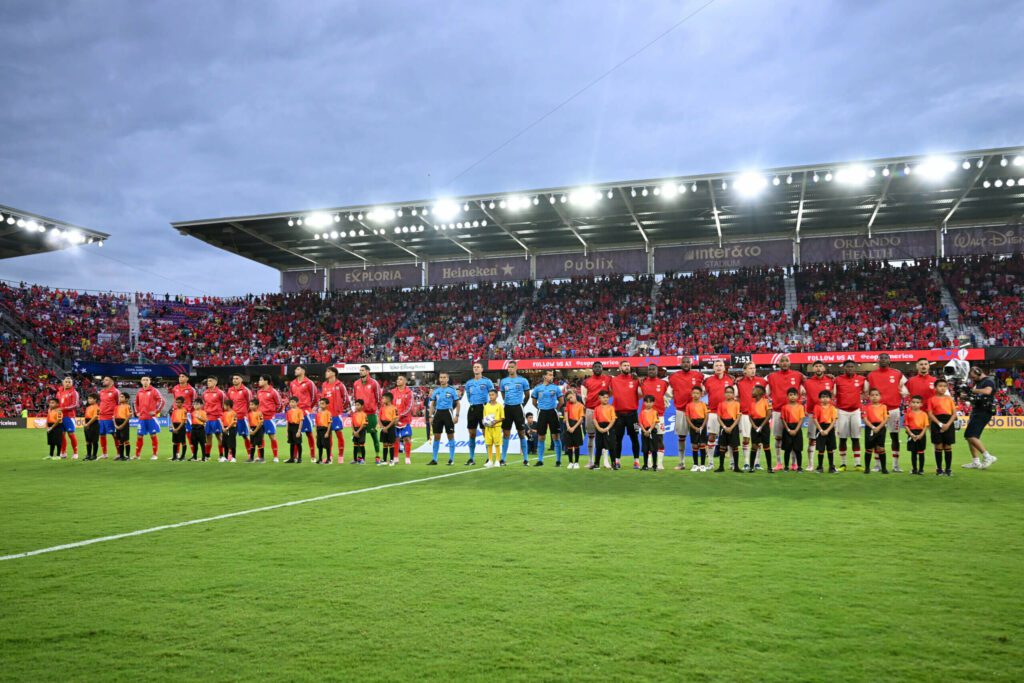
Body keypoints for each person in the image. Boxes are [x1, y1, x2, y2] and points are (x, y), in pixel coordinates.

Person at [866, 353, 905, 472]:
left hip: (893, 410)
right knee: (876, 438)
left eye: (885, 358)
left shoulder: (897, 374)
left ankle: (895, 465)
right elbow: (866, 390)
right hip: (877, 410)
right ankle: (877, 465)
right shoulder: (871, 375)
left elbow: (905, 388)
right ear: (878, 361)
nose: (883, 360)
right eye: (881, 358)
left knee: (895, 437)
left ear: (889, 360)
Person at [767, 356, 804, 471]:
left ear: (790, 362)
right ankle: (779, 463)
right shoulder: (771, 376)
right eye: (782, 361)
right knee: (778, 438)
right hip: (778, 411)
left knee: (793, 439)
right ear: (778, 363)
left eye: (786, 361)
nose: (784, 363)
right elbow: (759, 382)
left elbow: (811, 380)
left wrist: (829, 376)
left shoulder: (798, 375)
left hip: (794, 411)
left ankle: (794, 464)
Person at [668, 357, 704, 471]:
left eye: (688, 362)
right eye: (683, 362)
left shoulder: (698, 375)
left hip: (696, 411)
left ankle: (701, 464)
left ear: (691, 363)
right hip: (681, 411)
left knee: (700, 439)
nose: (686, 364)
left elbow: (707, 384)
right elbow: (667, 387)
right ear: (680, 363)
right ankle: (681, 462)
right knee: (682, 436)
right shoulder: (673, 377)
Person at [735, 362, 768, 471]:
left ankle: (757, 463)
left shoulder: (762, 381)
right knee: (746, 439)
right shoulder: (739, 383)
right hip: (745, 414)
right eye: (750, 368)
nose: (753, 370)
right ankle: (746, 463)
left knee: (758, 440)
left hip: (759, 416)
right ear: (744, 371)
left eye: (754, 368)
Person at [963, 366, 997, 469]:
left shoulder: (988, 381)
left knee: (970, 435)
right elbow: (978, 396)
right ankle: (975, 461)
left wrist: (973, 390)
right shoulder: (979, 383)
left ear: (978, 372)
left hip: (983, 411)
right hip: (977, 410)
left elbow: (987, 391)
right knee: (971, 437)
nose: (973, 379)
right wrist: (967, 395)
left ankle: (987, 456)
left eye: (973, 376)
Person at [803, 361, 836, 470]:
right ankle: (810, 464)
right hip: (814, 414)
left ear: (824, 368)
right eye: (816, 366)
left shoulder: (831, 380)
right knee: (812, 440)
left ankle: (832, 465)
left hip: (828, 415)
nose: (818, 368)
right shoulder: (807, 382)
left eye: (820, 366)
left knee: (830, 442)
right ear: (813, 369)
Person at [834, 360, 866, 471]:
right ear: (844, 368)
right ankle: (843, 464)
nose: (850, 368)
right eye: (848, 367)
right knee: (842, 438)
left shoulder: (861, 379)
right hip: (841, 411)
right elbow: (833, 394)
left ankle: (857, 464)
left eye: (852, 366)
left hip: (855, 411)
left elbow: (866, 392)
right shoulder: (837, 379)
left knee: (855, 438)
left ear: (855, 368)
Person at [703, 360, 734, 471]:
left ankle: (732, 463)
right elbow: (702, 393)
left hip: (728, 412)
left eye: (721, 365)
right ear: (713, 368)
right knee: (711, 436)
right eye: (716, 366)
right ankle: (710, 463)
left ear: (724, 367)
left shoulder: (730, 380)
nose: (719, 367)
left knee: (730, 439)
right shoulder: (708, 381)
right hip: (713, 412)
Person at [610, 361, 641, 468]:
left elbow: (641, 394)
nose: (627, 367)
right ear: (619, 367)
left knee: (635, 438)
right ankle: (617, 461)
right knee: (617, 439)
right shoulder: (614, 380)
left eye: (628, 365)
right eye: (625, 365)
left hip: (633, 415)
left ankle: (636, 461)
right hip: (618, 415)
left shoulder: (635, 380)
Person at [498, 362, 531, 466]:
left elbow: (527, 395)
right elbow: (503, 394)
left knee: (521, 433)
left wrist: (521, 405)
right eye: (509, 367)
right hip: (507, 408)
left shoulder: (523, 380)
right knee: (506, 433)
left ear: (516, 368)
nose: (510, 369)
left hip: (518, 408)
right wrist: (508, 402)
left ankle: (525, 459)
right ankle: (503, 459)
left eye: (512, 367)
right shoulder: (504, 381)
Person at [463, 362, 494, 466]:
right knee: (472, 433)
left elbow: (492, 394)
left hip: (484, 408)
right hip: (472, 408)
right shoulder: (468, 383)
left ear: (482, 369)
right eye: (474, 367)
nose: (476, 369)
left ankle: (489, 458)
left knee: (486, 434)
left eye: (478, 367)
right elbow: (467, 395)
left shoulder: (487, 381)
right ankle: (471, 458)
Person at [582, 362, 613, 468]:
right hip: (590, 410)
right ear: (592, 369)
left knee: (604, 436)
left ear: (602, 368)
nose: (597, 368)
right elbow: (583, 396)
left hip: (603, 410)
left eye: (599, 367)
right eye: (595, 367)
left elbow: (612, 391)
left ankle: (605, 461)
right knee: (591, 436)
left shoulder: (608, 379)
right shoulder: (586, 381)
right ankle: (590, 460)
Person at [531, 370, 564, 467]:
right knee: (541, 436)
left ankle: (558, 461)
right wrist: (541, 408)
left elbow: (561, 401)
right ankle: (540, 460)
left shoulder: (556, 388)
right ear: (544, 376)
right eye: (550, 375)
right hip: (542, 413)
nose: (552, 377)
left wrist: (555, 409)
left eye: (552, 375)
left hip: (552, 412)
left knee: (556, 436)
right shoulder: (537, 388)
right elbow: (534, 402)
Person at [639, 364, 669, 464]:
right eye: (650, 369)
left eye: (653, 369)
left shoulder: (663, 383)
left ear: (657, 371)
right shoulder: (642, 382)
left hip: (659, 416)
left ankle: (659, 463)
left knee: (659, 439)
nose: (651, 371)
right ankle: (649, 462)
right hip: (646, 416)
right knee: (647, 439)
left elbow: (664, 395)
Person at [428, 373, 460, 466]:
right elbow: (432, 404)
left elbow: (458, 403)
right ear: (439, 379)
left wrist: (457, 415)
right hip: (438, 414)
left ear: (447, 379)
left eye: (444, 377)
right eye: (441, 377)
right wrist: (430, 416)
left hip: (448, 414)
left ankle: (451, 459)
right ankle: (434, 459)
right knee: (437, 436)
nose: (442, 379)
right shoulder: (436, 391)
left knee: (450, 436)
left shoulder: (452, 390)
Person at [352, 365, 383, 462]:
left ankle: (377, 457)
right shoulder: (356, 383)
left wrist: (378, 412)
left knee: (374, 435)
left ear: (368, 371)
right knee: (358, 437)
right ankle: (360, 458)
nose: (360, 372)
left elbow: (379, 399)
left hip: (371, 414)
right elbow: (355, 397)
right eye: (360, 370)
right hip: (360, 415)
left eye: (363, 370)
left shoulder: (374, 383)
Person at [321, 367, 350, 465]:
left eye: (328, 371)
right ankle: (329, 456)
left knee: (339, 435)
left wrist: (339, 409)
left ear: (334, 373)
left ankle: (340, 456)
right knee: (328, 437)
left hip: (336, 415)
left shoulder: (340, 385)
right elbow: (323, 400)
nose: (326, 373)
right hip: (326, 415)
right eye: (326, 371)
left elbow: (346, 399)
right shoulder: (324, 385)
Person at [927, 379, 956, 476]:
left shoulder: (949, 399)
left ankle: (948, 469)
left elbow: (954, 414)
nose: (943, 388)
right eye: (940, 386)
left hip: (948, 422)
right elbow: (930, 414)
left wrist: (947, 424)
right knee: (938, 446)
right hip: (936, 423)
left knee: (948, 446)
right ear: (935, 388)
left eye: (945, 386)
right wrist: (940, 424)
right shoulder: (931, 399)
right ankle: (939, 469)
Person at [290, 366, 320, 459]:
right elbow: (291, 397)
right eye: (295, 369)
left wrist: (308, 407)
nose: (295, 370)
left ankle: (313, 456)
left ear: (303, 371)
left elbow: (315, 397)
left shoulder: (309, 383)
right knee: (295, 434)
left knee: (309, 433)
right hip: (295, 412)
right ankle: (294, 456)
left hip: (305, 411)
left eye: (298, 369)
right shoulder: (292, 383)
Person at [135, 376, 165, 461]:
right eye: (143, 380)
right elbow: (135, 403)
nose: (145, 381)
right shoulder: (139, 391)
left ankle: (155, 455)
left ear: (150, 381)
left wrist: (156, 411)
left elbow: (162, 401)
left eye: (147, 380)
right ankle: (137, 455)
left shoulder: (154, 390)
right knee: (139, 436)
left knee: (153, 436)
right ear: (141, 381)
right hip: (142, 418)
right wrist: (137, 412)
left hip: (151, 418)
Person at [256, 375, 283, 463]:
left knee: (272, 437)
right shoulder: (259, 392)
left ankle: (275, 456)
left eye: (260, 380)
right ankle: (260, 457)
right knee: (260, 438)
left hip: (269, 418)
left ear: (266, 381)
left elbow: (279, 404)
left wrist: (272, 413)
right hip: (260, 418)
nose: (259, 381)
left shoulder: (273, 391)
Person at [863, 388, 889, 474]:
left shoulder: (884, 407)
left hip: (881, 428)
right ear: (869, 397)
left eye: (876, 395)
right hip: (870, 427)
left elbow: (886, 418)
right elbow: (865, 419)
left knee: (880, 448)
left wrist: (879, 427)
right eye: (872, 395)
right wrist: (872, 427)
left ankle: (884, 468)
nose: (874, 397)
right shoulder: (866, 407)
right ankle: (867, 468)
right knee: (869, 448)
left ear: (880, 397)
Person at [715, 386, 741, 472]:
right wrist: (725, 427)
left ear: (733, 394)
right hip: (724, 424)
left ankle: (736, 467)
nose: (729, 394)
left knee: (734, 446)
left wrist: (731, 427)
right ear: (724, 394)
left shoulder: (737, 404)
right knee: (722, 446)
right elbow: (718, 417)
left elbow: (738, 417)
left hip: (733, 424)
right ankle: (721, 466)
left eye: (730, 392)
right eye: (727, 392)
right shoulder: (721, 404)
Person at [811, 390, 838, 473]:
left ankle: (831, 467)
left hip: (829, 428)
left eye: (827, 397)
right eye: (823, 397)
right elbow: (815, 419)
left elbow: (834, 420)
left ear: (830, 398)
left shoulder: (833, 408)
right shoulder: (817, 407)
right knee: (821, 449)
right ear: (819, 399)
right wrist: (821, 430)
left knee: (830, 449)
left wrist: (827, 430)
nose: (825, 399)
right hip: (821, 428)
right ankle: (820, 467)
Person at [227, 375, 253, 459]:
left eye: (236, 378)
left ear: (241, 380)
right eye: (233, 379)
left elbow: (250, 403)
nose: (234, 380)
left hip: (242, 417)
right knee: (231, 436)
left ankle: (249, 454)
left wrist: (245, 413)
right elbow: (228, 404)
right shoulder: (230, 390)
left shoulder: (246, 391)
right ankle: (230, 454)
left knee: (245, 436)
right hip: (232, 418)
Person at [780, 388, 806, 472]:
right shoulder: (784, 407)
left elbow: (801, 419)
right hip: (787, 428)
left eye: (794, 395)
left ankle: (799, 467)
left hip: (797, 428)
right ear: (787, 396)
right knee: (787, 449)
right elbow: (783, 419)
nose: (793, 397)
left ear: (798, 396)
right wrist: (788, 430)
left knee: (798, 449)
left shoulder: (800, 407)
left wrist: (796, 430)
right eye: (790, 395)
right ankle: (786, 466)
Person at [391, 374, 414, 465]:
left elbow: (410, 406)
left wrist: (400, 416)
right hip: (394, 419)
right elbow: (389, 405)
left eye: (400, 379)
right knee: (395, 439)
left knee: (407, 438)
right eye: (397, 379)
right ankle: (396, 457)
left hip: (405, 420)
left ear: (405, 382)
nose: (398, 380)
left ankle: (407, 458)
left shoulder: (409, 392)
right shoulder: (392, 392)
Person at [684, 387, 709, 472]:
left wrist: (702, 426)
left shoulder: (703, 404)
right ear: (691, 394)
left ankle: (702, 465)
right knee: (694, 445)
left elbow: (706, 416)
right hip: (693, 424)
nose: (695, 395)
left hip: (702, 424)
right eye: (694, 393)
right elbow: (687, 417)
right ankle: (695, 465)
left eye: (697, 393)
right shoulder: (689, 405)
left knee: (702, 444)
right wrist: (693, 427)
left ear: (701, 394)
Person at [749, 385, 773, 472]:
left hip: (764, 424)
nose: (752, 391)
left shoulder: (766, 402)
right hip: (755, 425)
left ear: (760, 392)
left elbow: (769, 415)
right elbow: (750, 416)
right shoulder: (752, 404)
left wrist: (761, 426)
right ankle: (751, 467)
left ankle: (769, 468)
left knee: (766, 446)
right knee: (754, 446)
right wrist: (754, 426)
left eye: (754, 390)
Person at [202, 376, 227, 460]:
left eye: (210, 381)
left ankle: (221, 455)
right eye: (208, 381)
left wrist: (221, 415)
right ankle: (207, 455)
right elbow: (204, 404)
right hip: (208, 418)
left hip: (217, 418)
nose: (208, 382)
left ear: (215, 382)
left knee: (219, 436)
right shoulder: (204, 393)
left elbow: (224, 405)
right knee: (208, 436)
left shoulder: (220, 393)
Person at [904, 396, 929, 476]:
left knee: (921, 452)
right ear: (910, 403)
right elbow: (906, 425)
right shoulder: (908, 414)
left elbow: (926, 426)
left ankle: (921, 469)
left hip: (921, 433)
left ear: (921, 404)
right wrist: (911, 434)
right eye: (913, 402)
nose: (915, 404)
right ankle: (914, 469)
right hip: (912, 433)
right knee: (913, 453)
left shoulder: (924, 414)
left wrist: (921, 435)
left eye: (917, 402)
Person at [56, 376, 79, 460]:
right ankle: (63, 452)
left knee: (71, 434)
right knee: (61, 435)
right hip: (60, 416)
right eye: (66, 381)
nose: (68, 383)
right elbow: (56, 404)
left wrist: (63, 408)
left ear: (72, 383)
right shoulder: (58, 392)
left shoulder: (74, 392)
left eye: (69, 382)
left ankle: (75, 453)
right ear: (63, 383)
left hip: (69, 416)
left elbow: (75, 405)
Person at [638, 395, 662, 471]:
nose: (648, 404)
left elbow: (655, 422)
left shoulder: (655, 412)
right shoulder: (641, 412)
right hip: (644, 432)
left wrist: (649, 430)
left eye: (650, 402)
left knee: (654, 449)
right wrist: (644, 431)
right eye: (646, 402)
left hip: (652, 432)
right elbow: (640, 423)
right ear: (644, 402)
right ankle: (645, 465)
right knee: (645, 449)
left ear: (653, 403)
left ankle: (655, 465)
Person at [97, 376, 119, 459]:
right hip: (102, 416)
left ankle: (119, 453)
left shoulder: (115, 391)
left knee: (114, 435)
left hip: (111, 416)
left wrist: (116, 415)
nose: (104, 381)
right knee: (102, 434)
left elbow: (119, 404)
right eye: (104, 379)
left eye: (106, 380)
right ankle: (104, 454)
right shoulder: (101, 392)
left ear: (112, 382)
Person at [593, 391, 616, 469]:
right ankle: (596, 464)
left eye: (607, 397)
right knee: (599, 447)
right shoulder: (596, 408)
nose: (606, 399)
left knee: (611, 446)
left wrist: (607, 428)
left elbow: (613, 419)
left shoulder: (611, 407)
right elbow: (594, 419)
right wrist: (599, 428)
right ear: (599, 398)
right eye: (604, 397)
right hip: (599, 427)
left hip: (609, 428)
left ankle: (614, 464)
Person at [562, 390, 585, 469]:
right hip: (568, 426)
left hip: (576, 426)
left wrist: (574, 427)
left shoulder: (581, 406)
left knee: (576, 445)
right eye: (568, 399)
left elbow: (581, 418)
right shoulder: (568, 405)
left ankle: (577, 462)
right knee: (569, 445)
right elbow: (566, 415)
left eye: (571, 397)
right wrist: (568, 426)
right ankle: (570, 462)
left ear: (574, 395)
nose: (570, 400)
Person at [483, 388, 505, 468]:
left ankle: (497, 461)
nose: (491, 396)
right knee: (489, 444)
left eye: (493, 395)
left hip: (496, 427)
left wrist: (495, 422)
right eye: (490, 395)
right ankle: (490, 460)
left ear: (496, 395)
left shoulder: (499, 406)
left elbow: (502, 417)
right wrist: (487, 423)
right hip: (488, 428)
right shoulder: (486, 406)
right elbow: (485, 418)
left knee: (497, 444)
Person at [378, 392, 397, 467]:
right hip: (383, 425)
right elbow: (379, 418)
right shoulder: (382, 408)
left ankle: (392, 460)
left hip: (390, 426)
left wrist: (387, 427)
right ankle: (384, 460)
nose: (382, 399)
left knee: (391, 443)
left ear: (388, 399)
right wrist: (383, 427)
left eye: (383, 398)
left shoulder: (394, 408)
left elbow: (394, 419)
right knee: (385, 443)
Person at [285, 397, 304, 463]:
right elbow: (287, 422)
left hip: (296, 427)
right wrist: (287, 431)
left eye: (293, 402)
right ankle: (291, 458)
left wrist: (299, 431)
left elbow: (301, 421)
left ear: (297, 403)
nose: (291, 403)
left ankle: (299, 458)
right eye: (290, 402)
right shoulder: (288, 412)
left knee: (298, 443)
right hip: (290, 427)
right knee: (291, 443)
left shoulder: (300, 411)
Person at [114, 393, 132, 460]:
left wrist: (122, 425)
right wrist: (115, 425)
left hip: (124, 423)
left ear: (126, 399)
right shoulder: (116, 407)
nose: (120, 398)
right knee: (119, 440)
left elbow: (129, 416)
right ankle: (121, 456)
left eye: (122, 397)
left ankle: (127, 456)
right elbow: (114, 417)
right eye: (120, 397)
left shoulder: (128, 406)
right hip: (117, 423)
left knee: (125, 440)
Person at [170, 396, 188, 461]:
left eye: (179, 402)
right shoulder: (174, 411)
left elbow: (183, 421)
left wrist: (177, 429)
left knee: (183, 442)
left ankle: (182, 457)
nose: (177, 404)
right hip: (175, 426)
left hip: (181, 426)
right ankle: (174, 456)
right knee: (175, 442)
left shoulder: (184, 411)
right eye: (176, 402)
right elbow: (171, 420)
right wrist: (173, 428)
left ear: (183, 403)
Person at [83, 394, 100, 461]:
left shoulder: (97, 407)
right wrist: (86, 424)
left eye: (90, 398)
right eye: (88, 398)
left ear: (95, 399)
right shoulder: (88, 407)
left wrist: (88, 424)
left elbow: (95, 416)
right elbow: (86, 416)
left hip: (94, 424)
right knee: (88, 441)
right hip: (87, 424)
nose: (89, 400)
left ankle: (94, 455)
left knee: (94, 441)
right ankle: (88, 455)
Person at [315, 398, 332, 464]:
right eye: (320, 403)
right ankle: (320, 459)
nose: (321, 405)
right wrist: (316, 432)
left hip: (325, 430)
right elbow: (316, 423)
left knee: (327, 445)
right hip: (319, 430)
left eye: (323, 403)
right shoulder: (318, 413)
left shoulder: (328, 413)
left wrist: (327, 432)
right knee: (319, 445)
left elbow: (329, 423)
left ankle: (328, 459)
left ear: (327, 405)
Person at [351, 399, 367, 464]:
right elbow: (352, 423)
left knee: (361, 445)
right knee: (355, 445)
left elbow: (364, 424)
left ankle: (363, 459)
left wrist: (357, 432)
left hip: (361, 430)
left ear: (362, 406)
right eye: (355, 405)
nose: (356, 406)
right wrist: (354, 431)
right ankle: (355, 459)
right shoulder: (354, 414)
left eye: (358, 405)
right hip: (355, 430)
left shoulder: (364, 414)